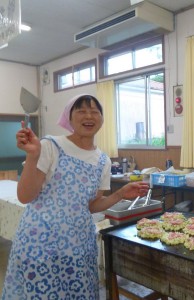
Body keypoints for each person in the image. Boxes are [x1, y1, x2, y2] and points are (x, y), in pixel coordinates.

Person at [1, 94, 149, 299]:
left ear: (102, 119)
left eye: (95, 111)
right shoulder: (50, 146)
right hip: (39, 243)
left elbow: (91, 205)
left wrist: (121, 194)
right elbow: (25, 196)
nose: (89, 116)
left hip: (79, 245)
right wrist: (33, 155)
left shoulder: (103, 161)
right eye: (81, 111)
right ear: (69, 119)